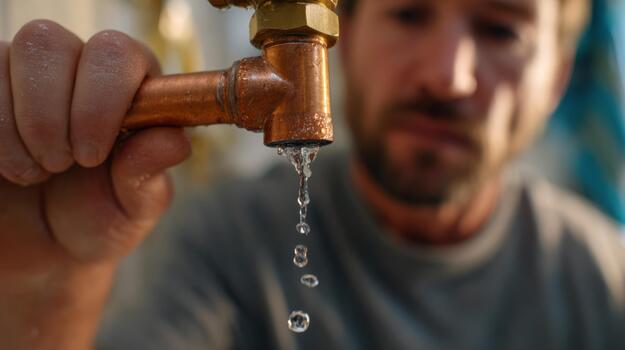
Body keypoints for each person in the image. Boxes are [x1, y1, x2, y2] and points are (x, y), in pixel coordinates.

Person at [1, 0, 623, 349]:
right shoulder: (225, 246)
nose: (447, 74)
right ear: (343, 38)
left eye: (500, 29)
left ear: (558, 78)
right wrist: (46, 292)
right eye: (409, 14)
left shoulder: (606, 284)